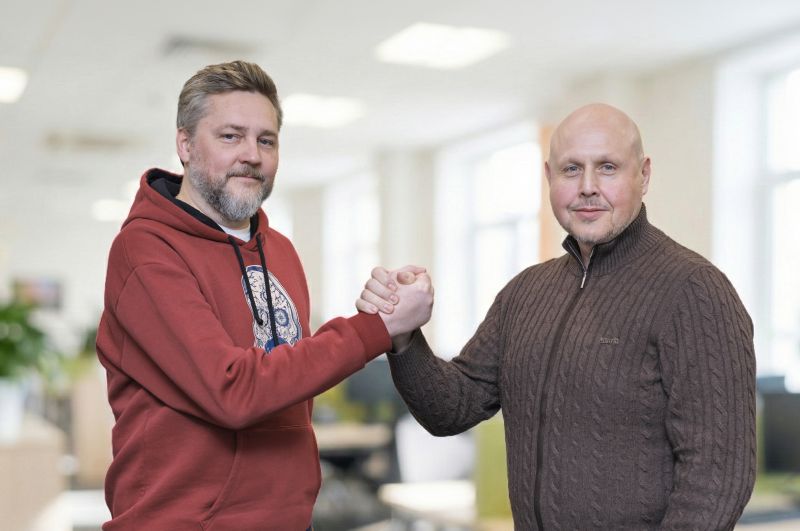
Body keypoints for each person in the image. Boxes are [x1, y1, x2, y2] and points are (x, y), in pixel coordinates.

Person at [358, 103, 756, 530]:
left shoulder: (694, 290)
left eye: (607, 167)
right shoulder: (525, 293)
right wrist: (404, 335)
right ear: (549, 177)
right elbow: (450, 409)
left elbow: (717, 477)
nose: (587, 187)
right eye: (571, 169)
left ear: (643, 175)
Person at [95, 60, 431, 531]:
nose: (251, 155)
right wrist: (374, 328)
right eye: (230, 136)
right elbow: (231, 391)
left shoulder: (281, 251)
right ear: (185, 145)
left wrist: (385, 311)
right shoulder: (146, 250)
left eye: (266, 140)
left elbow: (291, 382)